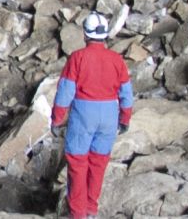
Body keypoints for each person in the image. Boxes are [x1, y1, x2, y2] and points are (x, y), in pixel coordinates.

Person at [53, 11, 134, 219]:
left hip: (84, 114)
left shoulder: (78, 58)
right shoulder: (117, 60)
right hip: (109, 115)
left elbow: (65, 92)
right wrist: (125, 118)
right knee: (98, 164)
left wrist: (57, 118)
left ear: (85, 34)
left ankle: (77, 214)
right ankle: (91, 210)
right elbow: (126, 93)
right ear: (105, 34)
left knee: (78, 163)